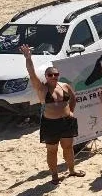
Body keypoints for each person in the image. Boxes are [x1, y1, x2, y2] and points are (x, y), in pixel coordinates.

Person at [21, 44, 80, 184]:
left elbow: (73, 98)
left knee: (68, 147)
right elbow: (31, 73)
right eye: (50, 75)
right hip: (50, 123)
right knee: (52, 151)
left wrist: (71, 111)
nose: (53, 77)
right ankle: (54, 175)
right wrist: (28, 57)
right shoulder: (42, 88)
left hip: (67, 122)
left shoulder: (64, 86)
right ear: (46, 77)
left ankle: (72, 170)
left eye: (56, 74)